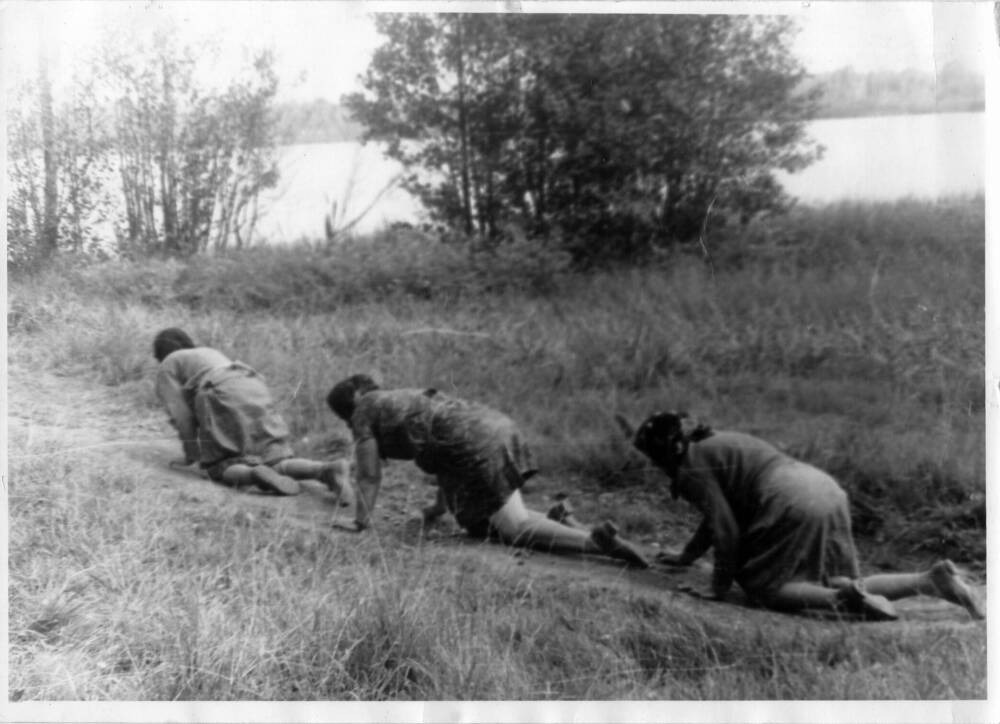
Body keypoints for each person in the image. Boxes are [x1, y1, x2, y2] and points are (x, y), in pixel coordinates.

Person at [618, 410, 984, 621]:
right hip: (823, 488)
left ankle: (843, 603)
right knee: (837, 577)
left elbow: (724, 529)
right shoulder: (715, 444)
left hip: (789, 497)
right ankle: (930, 581)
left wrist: (717, 586)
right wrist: (687, 556)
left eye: (653, 460)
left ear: (666, 452)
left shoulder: (691, 467)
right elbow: (716, 518)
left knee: (765, 588)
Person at [326, 374, 649, 567]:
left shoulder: (363, 413)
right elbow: (442, 455)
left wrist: (360, 522)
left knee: (514, 529)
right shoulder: (398, 398)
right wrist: (438, 509)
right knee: (479, 523)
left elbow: (368, 474)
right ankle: (557, 521)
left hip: (473, 445)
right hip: (492, 426)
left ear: (348, 408)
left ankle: (594, 543)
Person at [153, 327, 351, 500]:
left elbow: (182, 416)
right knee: (273, 456)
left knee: (219, 466)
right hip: (253, 384)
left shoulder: (167, 365)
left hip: (218, 390)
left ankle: (253, 474)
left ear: (160, 354)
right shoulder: (207, 353)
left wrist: (191, 455)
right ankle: (324, 470)